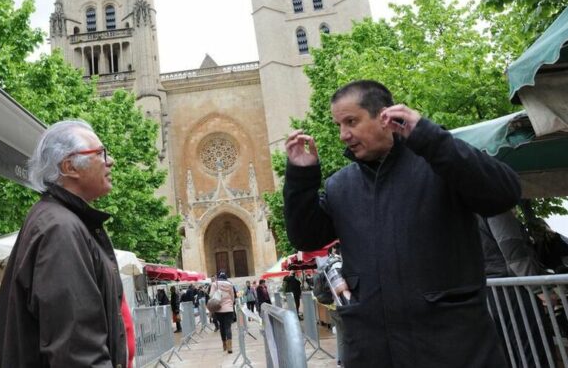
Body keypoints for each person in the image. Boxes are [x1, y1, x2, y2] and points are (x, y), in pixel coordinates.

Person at [282, 80, 521, 368]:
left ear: (385, 117)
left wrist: (430, 138)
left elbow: (503, 194)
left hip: (454, 351)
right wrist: (300, 177)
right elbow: (305, 237)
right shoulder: (340, 186)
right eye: (339, 125)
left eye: (351, 121)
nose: (343, 135)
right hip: (375, 353)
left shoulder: (439, 162)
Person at [0, 120, 126, 368]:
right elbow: (77, 352)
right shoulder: (61, 230)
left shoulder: (61, 221)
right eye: (100, 153)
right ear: (69, 166)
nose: (110, 161)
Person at [479, 210, 552, 367]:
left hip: (488, 295)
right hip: (514, 292)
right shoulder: (494, 208)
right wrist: (539, 289)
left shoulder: (462, 212)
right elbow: (513, 250)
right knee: (533, 355)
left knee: (508, 356)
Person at [209, 270, 236, 353]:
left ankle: (224, 344)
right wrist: (230, 304)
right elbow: (232, 297)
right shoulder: (230, 284)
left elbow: (211, 295)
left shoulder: (214, 284)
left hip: (218, 309)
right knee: (228, 327)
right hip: (229, 309)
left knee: (222, 327)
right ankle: (230, 347)